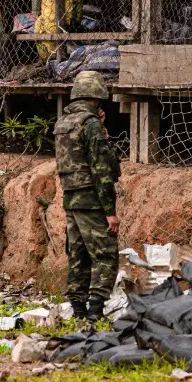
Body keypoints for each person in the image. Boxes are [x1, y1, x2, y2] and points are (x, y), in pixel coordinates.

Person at [55, 70, 119, 324]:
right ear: (97, 96)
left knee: (77, 255)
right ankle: (94, 310)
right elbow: (103, 170)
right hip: (92, 200)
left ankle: (79, 309)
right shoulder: (90, 125)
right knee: (105, 254)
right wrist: (110, 211)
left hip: (71, 199)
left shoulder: (62, 123)